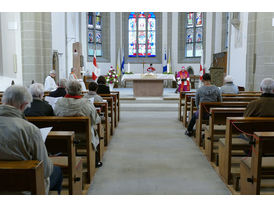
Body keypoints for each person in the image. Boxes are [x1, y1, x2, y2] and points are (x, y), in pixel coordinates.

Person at [0, 85, 62, 194]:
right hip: (22, 187)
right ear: (23, 105)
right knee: (56, 171)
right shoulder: (30, 129)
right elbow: (45, 170)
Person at [54, 80, 102, 167]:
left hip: (64, 133)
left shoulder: (59, 103)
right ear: (80, 90)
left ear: (67, 90)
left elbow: (55, 115)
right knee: (94, 131)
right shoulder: (86, 103)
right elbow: (95, 120)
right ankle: (95, 161)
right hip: (83, 134)